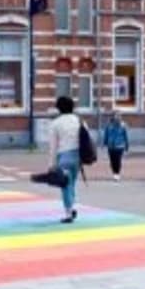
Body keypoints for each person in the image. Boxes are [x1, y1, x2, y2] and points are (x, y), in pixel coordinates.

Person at [49, 96, 83, 224]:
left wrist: (51, 164)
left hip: (64, 157)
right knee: (72, 183)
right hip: (77, 156)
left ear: (58, 108)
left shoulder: (55, 123)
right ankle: (72, 207)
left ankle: (68, 213)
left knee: (65, 185)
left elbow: (53, 146)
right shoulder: (78, 120)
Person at [103, 111, 130, 181]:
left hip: (119, 146)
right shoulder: (108, 125)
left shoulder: (123, 125)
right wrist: (104, 143)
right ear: (113, 117)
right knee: (112, 161)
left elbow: (126, 136)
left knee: (118, 160)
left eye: (119, 116)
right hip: (110, 146)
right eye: (116, 116)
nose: (117, 117)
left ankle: (117, 174)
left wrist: (127, 145)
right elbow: (106, 134)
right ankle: (114, 172)